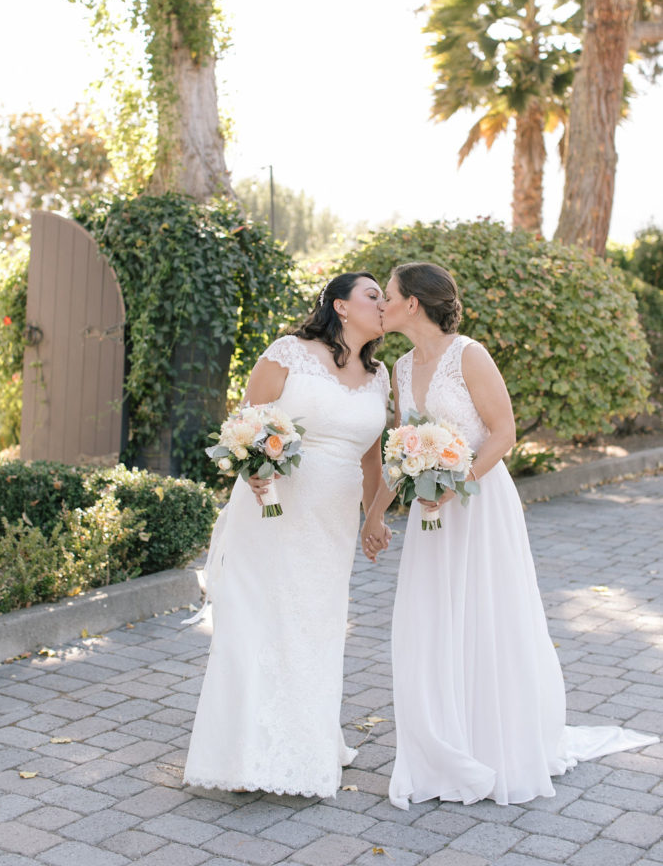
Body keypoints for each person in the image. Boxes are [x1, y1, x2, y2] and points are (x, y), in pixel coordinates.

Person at [362, 261, 657, 810]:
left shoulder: (468, 355)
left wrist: (458, 481)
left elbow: (504, 433)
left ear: (412, 304)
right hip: (431, 511)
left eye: (389, 295)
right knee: (430, 618)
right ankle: (441, 744)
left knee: (486, 614)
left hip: (479, 504)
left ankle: (495, 741)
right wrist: (376, 514)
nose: (381, 304)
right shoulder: (401, 368)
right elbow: (401, 449)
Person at [183, 272, 390, 798]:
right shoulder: (288, 353)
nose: (384, 304)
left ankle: (305, 741)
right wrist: (253, 469)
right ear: (341, 306)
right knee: (260, 621)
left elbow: (371, 456)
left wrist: (375, 515)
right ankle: (243, 753)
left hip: (332, 522)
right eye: (373, 295)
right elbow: (246, 427)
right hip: (272, 510)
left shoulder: (379, 375)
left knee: (314, 625)